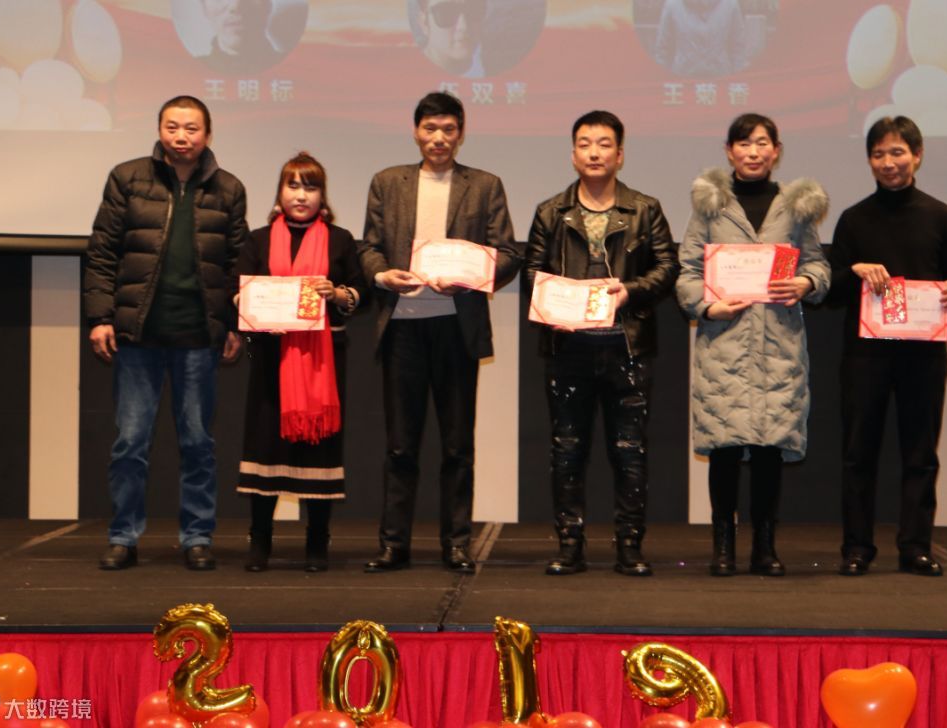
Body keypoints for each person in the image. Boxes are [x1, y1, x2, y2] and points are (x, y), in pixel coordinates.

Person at [358, 91, 520, 573]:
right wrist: (382, 275)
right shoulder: (388, 182)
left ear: (461, 134)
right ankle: (393, 545)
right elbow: (368, 248)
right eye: (430, 129)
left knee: (457, 446)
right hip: (402, 328)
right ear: (416, 132)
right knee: (400, 446)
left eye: (449, 130)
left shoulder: (484, 185)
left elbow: (509, 253)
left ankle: (456, 544)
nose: (439, 138)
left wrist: (470, 277)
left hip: (456, 328)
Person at [84, 95, 248, 571]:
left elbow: (238, 265)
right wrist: (100, 317)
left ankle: (197, 536)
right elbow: (102, 252)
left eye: (191, 128)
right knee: (130, 443)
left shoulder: (229, 188)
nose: (181, 137)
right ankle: (123, 536)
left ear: (208, 134)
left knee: (198, 443)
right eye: (173, 127)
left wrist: (235, 324)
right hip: (139, 336)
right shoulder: (128, 178)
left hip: (199, 336)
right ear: (159, 130)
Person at [676, 112, 830, 577]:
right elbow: (688, 271)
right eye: (744, 143)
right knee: (724, 448)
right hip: (724, 344)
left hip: (778, 345)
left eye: (763, 143)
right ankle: (723, 546)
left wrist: (805, 282)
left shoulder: (794, 207)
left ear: (776, 151)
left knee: (768, 451)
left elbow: (818, 265)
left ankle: (765, 546)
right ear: (729, 151)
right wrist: (708, 307)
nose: (753, 151)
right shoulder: (711, 206)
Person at [525, 110, 677, 576]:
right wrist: (557, 304)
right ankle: (569, 545)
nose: (594, 152)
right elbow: (533, 271)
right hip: (568, 348)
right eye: (585, 144)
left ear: (620, 155)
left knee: (629, 450)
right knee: (566, 449)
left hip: (626, 346)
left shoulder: (645, 209)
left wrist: (630, 290)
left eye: (604, 144)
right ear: (573, 155)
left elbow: (667, 268)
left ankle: (629, 545)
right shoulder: (551, 212)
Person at [828, 116, 947, 578]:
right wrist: (853, 272)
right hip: (865, 355)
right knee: (858, 454)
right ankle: (857, 548)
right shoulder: (854, 218)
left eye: (897, 152)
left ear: (917, 155)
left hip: (923, 354)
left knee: (920, 454)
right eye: (878, 154)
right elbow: (830, 291)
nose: (888, 163)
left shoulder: (940, 215)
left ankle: (915, 547)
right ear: (869, 160)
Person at [236, 152, 367, 573]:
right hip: (270, 360)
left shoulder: (341, 240)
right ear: (279, 192)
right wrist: (251, 306)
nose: (301, 195)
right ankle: (260, 541)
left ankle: (317, 541)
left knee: (318, 447)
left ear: (322, 196)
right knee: (266, 445)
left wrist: (338, 294)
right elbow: (238, 293)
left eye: (310, 187)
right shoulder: (257, 240)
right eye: (293, 185)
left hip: (322, 363)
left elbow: (360, 293)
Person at [654, 0, 748, 77]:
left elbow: (738, 48)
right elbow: (662, 49)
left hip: (720, 80)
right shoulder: (672, 5)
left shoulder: (730, 5)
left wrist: (737, 79)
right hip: (683, 80)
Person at [200, 0, 283, 73]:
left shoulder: (289, 69)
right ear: (204, 8)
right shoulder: (194, 71)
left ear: (268, 4)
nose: (236, 6)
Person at [415, 0, 486, 77]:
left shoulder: (490, 63)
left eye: (474, 10)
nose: (463, 26)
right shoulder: (412, 74)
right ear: (424, 23)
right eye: (446, 13)